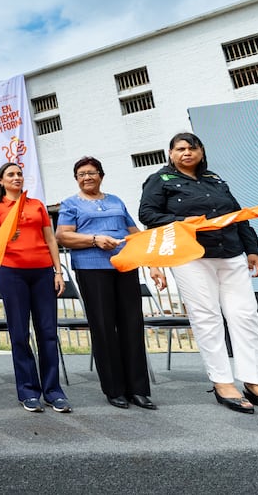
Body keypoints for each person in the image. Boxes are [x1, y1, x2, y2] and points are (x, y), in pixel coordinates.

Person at [138, 132, 258, 414]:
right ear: (171, 153)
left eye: (192, 148)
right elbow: (148, 214)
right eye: (180, 149)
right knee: (207, 317)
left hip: (231, 253)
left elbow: (238, 215)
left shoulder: (215, 179)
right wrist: (183, 221)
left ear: (202, 152)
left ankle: (254, 383)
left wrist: (253, 250)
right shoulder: (160, 180)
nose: (186, 153)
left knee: (245, 316)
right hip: (192, 257)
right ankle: (223, 383)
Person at [56, 156, 164, 410]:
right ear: (76, 179)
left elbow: (136, 235)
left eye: (92, 172)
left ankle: (138, 389)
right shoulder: (70, 204)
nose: (87, 177)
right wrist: (95, 239)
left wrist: (153, 264)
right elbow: (63, 236)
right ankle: (114, 389)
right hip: (92, 268)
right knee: (104, 327)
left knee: (132, 324)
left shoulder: (116, 201)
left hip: (125, 265)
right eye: (82, 174)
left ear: (101, 176)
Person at [0, 162, 70, 413]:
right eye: (10, 174)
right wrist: (8, 232)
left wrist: (58, 271)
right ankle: (28, 391)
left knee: (48, 333)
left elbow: (50, 239)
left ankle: (53, 391)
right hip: (13, 273)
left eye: (19, 174)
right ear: (1, 181)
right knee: (20, 334)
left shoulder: (37, 205)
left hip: (43, 272)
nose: (16, 177)